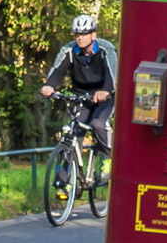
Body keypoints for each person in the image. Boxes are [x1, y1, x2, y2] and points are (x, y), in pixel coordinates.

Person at [41, 13, 119, 153]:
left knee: (98, 124)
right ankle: (68, 172)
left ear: (93, 35)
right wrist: (49, 85)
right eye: (77, 34)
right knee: (73, 131)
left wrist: (106, 90)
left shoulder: (106, 49)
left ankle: (109, 158)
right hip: (81, 97)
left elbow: (113, 73)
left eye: (84, 34)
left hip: (104, 97)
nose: (79, 38)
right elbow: (58, 70)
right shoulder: (69, 50)